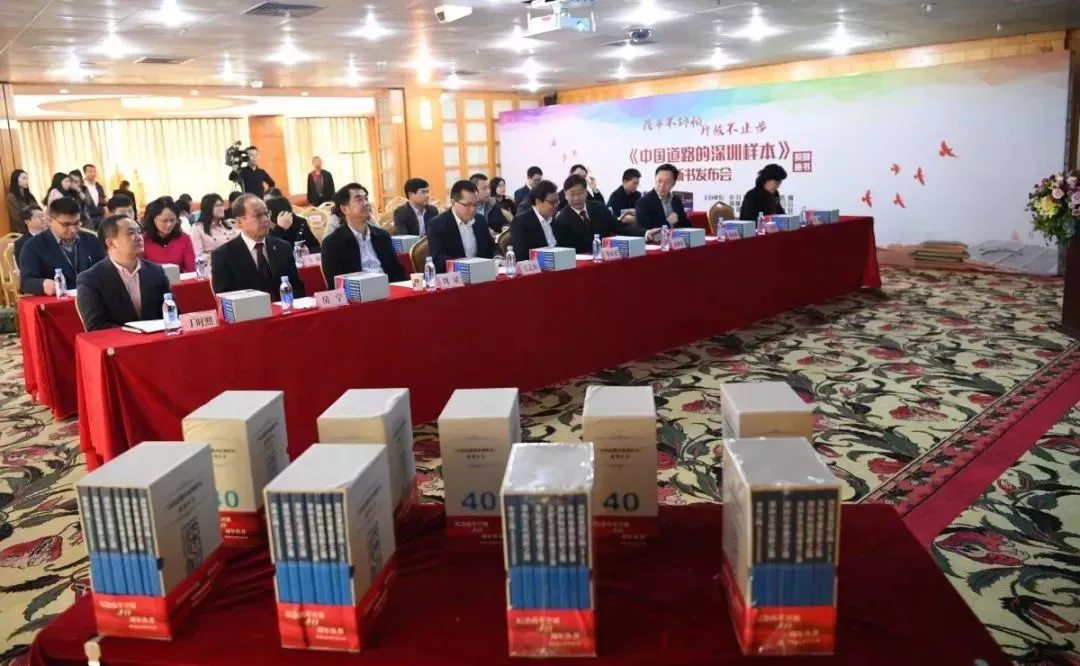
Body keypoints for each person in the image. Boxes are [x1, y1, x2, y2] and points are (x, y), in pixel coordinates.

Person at [76, 214, 171, 332]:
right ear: (111, 243)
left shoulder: (156, 271)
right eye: (131, 233)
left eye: (139, 232)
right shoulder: (90, 279)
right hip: (117, 342)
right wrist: (136, 334)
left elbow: (172, 312)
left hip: (156, 338)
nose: (139, 237)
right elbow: (96, 326)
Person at [210, 193, 305, 301]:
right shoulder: (223, 255)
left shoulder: (283, 247)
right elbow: (226, 300)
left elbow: (297, 289)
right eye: (258, 215)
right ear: (239, 222)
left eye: (266, 213)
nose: (265, 219)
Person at [19, 196, 105, 296]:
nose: (73, 229)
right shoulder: (33, 245)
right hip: (56, 299)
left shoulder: (91, 240)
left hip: (92, 296)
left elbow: (104, 270)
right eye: (66, 225)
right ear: (50, 221)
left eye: (76, 223)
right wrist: (42, 284)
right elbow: (26, 282)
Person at [321, 183, 404, 285]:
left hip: (389, 288)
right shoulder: (333, 243)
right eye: (359, 200)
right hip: (358, 292)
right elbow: (335, 283)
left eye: (366, 199)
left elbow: (397, 271)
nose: (366, 203)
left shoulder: (382, 236)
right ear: (344, 209)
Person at [427, 180, 496, 273]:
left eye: (475, 204)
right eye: (467, 205)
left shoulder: (480, 220)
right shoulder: (437, 224)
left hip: (481, 273)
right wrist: (466, 266)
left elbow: (492, 247)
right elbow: (437, 259)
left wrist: (498, 257)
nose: (472, 209)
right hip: (454, 276)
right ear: (453, 203)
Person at [553, 175, 619, 253]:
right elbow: (567, 249)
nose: (577, 198)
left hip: (606, 254)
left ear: (586, 192)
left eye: (580, 193)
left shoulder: (599, 207)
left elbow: (616, 226)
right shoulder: (561, 220)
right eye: (572, 194)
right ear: (565, 195)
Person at [142, 197, 196, 273]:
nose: (169, 224)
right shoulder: (144, 241)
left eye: (172, 220)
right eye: (164, 221)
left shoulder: (184, 239)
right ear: (154, 219)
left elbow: (191, 269)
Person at [510, 179, 560, 260]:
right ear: (538, 201)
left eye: (557, 201)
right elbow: (521, 256)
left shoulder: (553, 219)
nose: (556, 205)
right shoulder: (521, 222)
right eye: (552, 202)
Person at [635, 163, 691, 231]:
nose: (662, 185)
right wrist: (668, 222)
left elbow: (686, 225)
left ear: (673, 183)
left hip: (677, 237)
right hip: (657, 238)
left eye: (667, 182)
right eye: (659, 181)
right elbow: (645, 230)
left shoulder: (676, 201)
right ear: (655, 179)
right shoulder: (643, 203)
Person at [6, 169, 39, 234]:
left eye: (27, 178)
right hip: (23, 230)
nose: (26, 181)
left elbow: (37, 208)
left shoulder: (30, 195)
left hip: (36, 226)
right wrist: (31, 222)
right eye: (23, 178)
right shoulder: (11, 196)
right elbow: (16, 217)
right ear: (16, 180)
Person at [82, 164, 106, 229]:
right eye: (90, 171)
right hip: (88, 218)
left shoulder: (99, 186)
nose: (93, 173)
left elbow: (103, 201)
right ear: (85, 173)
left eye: (94, 171)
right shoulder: (81, 187)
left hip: (100, 217)